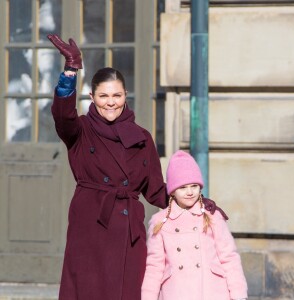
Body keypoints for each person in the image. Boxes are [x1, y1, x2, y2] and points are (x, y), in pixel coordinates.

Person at [47, 34, 219, 300]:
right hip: (90, 225)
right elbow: (62, 115)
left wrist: (195, 200)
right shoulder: (80, 130)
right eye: (103, 96)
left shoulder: (141, 136)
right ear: (92, 97)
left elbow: (154, 189)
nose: (110, 102)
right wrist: (71, 70)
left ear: (126, 95)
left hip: (129, 233)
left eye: (116, 95)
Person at [142, 150, 248, 300]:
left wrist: (239, 296)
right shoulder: (160, 222)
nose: (190, 192)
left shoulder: (212, 216)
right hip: (176, 293)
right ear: (172, 191)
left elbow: (229, 258)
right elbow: (154, 268)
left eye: (194, 186)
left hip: (213, 292)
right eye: (182, 187)